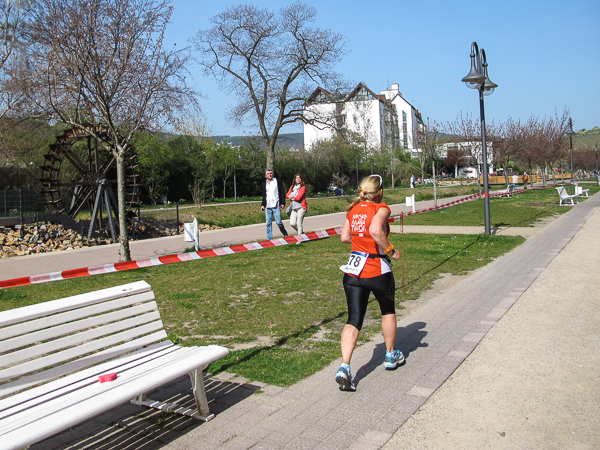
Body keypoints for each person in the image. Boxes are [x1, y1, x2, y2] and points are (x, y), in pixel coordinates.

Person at [336, 175, 403, 391]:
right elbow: (375, 230)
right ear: (380, 192)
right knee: (388, 311)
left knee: (353, 319)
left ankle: (345, 366)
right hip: (376, 269)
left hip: (353, 271)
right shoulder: (381, 208)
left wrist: (360, 241)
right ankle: (390, 355)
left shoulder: (353, 209)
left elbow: (344, 237)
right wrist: (390, 249)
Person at [260, 168, 288, 240]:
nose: (270, 175)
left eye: (271, 173)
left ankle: (284, 233)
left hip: (276, 205)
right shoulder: (265, 183)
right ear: (266, 175)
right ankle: (269, 238)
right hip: (268, 206)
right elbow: (264, 195)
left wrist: (282, 203)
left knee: (278, 222)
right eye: (268, 174)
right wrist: (263, 205)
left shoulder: (277, 181)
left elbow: (282, 192)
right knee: (268, 223)